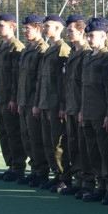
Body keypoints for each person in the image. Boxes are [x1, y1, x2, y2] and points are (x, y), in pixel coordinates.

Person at [79, 19, 108, 204]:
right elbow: (84, 88)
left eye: (92, 35)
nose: (89, 38)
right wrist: (81, 110)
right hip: (87, 113)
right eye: (88, 35)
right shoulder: (88, 57)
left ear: (103, 36)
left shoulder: (107, 58)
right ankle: (100, 185)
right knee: (92, 152)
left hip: (101, 114)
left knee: (105, 152)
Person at [36, 14, 71, 191]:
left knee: (58, 143)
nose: (44, 28)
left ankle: (64, 176)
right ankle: (56, 174)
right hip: (45, 103)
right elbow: (41, 80)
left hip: (56, 105)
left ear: (58, 28)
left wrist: (63, 106)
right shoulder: (49, 49)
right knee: (48, 142)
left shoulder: (61, 49)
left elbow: (63, 82)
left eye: (47, 26)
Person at [0, 14, 25, 181]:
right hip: (0, 97)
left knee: (13, 133)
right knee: (3, 133)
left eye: (1, 26)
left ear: (12, 26)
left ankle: (18, 167)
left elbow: (16, 76)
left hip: (9, 98)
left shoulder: (15, 47)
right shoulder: (0, 48)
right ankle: (11, 165)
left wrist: (13, 98)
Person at [16, 15, 49, 186]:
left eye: (28, 28)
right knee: (27, 138)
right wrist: (20, 100)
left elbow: (39, 81)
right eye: (24, 28)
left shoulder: (42, 50)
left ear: (38, 28)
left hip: (34, 101)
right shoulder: (28, 49)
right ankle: (34, 170)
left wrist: (36, 103)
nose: (25, 31)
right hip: (25, 101)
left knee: (36, 139)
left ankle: (41, 171)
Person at [59, 14, 89, 194]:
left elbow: (85, 86)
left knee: (83, 146)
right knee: (72, 144)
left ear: (81, 31)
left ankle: (86, 182)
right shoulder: (73, 53)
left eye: (71, 30)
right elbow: (67, 83)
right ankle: (78, 180)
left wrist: (81, 108)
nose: (68, 34)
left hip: (80, 107)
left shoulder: (86, 54)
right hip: (71, 106)